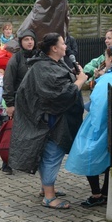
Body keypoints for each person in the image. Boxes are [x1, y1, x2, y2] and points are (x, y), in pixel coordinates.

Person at [9, 33, 88, 209]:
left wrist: (74, 76)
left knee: (48, 154)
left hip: (51, 119)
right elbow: (62, 94)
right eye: (62, 44)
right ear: (54, 48)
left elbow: (60, 83)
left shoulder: (50, 64)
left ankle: (45, 188)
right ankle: (49, 197)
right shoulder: (44, 67)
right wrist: (80, 81)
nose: (66, 46)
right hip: (52, 122)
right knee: (52, 156)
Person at [66, 44, 112, 207]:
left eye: (105, 58)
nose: (104, 61)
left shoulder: (106, 80)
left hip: (103, 124)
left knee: (87, 154)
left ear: (111, 59)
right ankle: (106, 192)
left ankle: (97, 194)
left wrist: (96, 127)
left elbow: (97, 105)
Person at [0, 31, 37, 174]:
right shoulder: (15, 59)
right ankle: (6, 162)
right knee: (14, 133)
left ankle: (27, 162)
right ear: (21, 42)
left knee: (31, 134)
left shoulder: (38, 57)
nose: (29, 42)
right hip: (18, 102)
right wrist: (9, 104)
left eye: (31, 39)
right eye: (26, 39)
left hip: (34, 103)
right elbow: (8, 82)